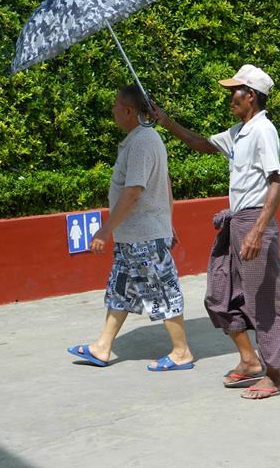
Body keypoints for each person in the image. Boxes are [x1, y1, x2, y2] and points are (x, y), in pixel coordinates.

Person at [152, 64, 280, 400]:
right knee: (219, 295)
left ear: (253, 96)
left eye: (237, 91)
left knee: (264, 302)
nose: (231, 96)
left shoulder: (263, 131)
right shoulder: (239, 131)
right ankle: (249, 361)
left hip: (254, 221)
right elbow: (200, 144)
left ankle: (275, 375)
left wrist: (257, 231)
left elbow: (277, 182)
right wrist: (165, 120)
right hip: (236, 222)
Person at [67, 85, 194, 372]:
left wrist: (105, 229)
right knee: (120, 291)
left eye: (116, 104)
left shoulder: (142, 142)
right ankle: (102, 347)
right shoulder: (142, 140)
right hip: (135, 236)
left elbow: (134, 190)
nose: (112, 110)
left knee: (162, 291)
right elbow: (166, 183)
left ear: (128, 111)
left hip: (144, 237)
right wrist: (168, 221)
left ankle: (181, 352)